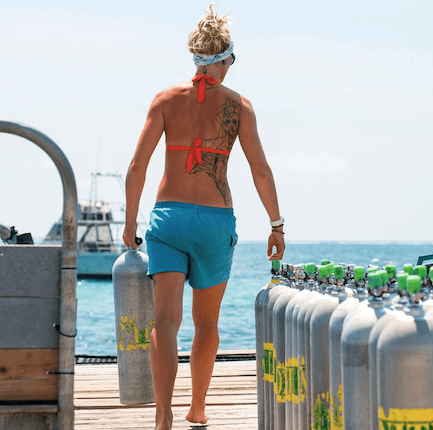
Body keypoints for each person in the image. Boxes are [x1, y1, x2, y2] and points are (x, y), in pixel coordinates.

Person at [122, 6, 285, 430]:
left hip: (167, 221)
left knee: (165, 321)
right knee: (206, 323)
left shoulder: (164, 101)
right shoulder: (240, 106)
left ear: (196, 57)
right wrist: (276, 225)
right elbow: (260, 171)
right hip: (215, 220)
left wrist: (128, 225)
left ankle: (162, 414)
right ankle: (197, 407)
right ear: (226, 59)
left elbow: (136, 167)